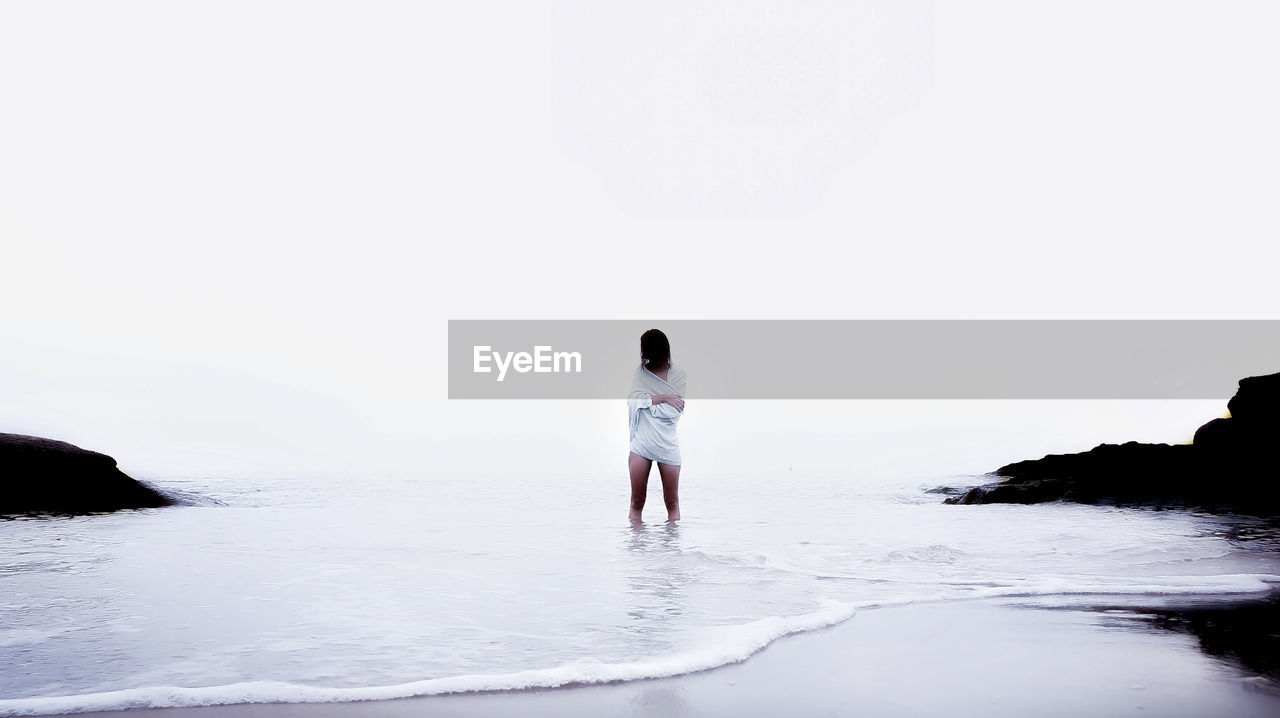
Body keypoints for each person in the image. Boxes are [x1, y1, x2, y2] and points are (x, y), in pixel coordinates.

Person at [627, 329, 686, 523]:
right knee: (637, 502)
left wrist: (648, 403)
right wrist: (663, 398)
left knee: (672, 502)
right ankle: (635, 549)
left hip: (667, 444)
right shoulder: (640, 372)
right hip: (641, 443)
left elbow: (674, 412)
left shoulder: (678, 375)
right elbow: (632, 401)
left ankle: (672, 549)